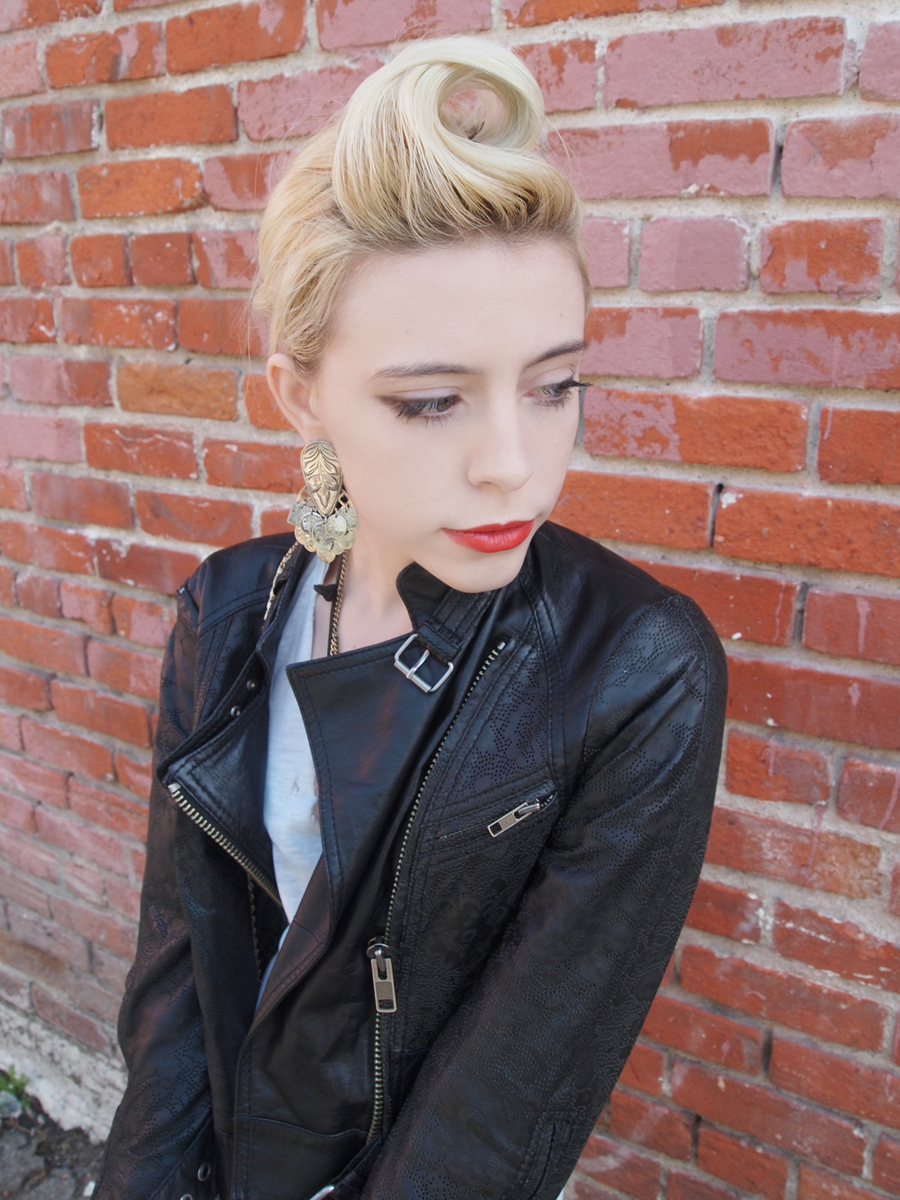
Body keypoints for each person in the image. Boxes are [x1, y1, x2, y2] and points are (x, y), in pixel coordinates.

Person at [96, 38, 727, 1200]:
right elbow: (177, 980)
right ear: (301, 396)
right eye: (433, 401)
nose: (514, 465)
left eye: (554, 386)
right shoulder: (227, 615)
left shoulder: (634, 672)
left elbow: (500, 1116)